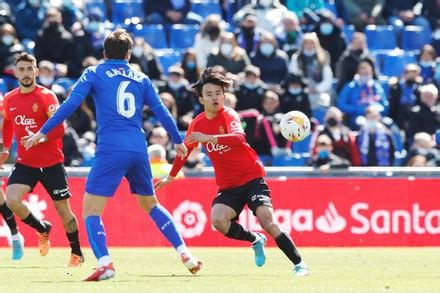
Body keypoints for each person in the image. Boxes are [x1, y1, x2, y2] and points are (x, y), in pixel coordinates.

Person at [24, 29, 202, 281]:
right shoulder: (141, 78)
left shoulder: (94, 72)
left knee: (90, 211)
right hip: (139, 149)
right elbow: (161, 110)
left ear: (104, 53)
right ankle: (186, 254)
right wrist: (178, 140)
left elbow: (72, 103)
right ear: (129, 54)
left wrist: (43, 131)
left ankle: (105, 263)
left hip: (111, 148)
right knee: (151, 205)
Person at [154, 67, 310, 277]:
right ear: (201, 99)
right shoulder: (197, 125)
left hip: (252, 177)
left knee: (267, 220)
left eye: (218, 93)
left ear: (224, 95)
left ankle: (299, 264)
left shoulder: (229, 115)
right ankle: (255, 239)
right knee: (218, 220)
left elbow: (239, 138)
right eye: (209, 94)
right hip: (228, 186)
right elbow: (184, 152)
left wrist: (208, 139)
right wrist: (171, 176)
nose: (215, 98)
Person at [0, 53, 84, 266]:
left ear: (36, 71)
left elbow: (60, 128)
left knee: (64, 211)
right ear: (15, 72)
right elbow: (8, 122)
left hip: (51, 163)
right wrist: (6, 147)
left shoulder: (47, 96)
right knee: (11, 199)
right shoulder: (9, 99)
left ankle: (76, 252)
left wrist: (40, 137)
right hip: (25, 163)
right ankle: (42, 228)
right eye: (22, 70)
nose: (26, 74)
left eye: (30, 69)